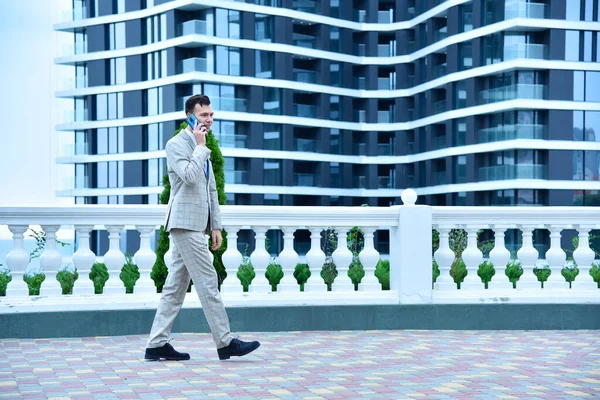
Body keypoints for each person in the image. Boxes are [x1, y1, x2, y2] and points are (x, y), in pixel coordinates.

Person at [145, 94, 260, 361]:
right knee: (208, 280)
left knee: (175, 287)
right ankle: (225, 341)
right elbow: (188, 176)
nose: (208, 120)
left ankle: (156, 344)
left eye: (211, 115)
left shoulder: (203, 146)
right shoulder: (176, 144)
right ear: (190, 116)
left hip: (199, 225)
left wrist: (216, 227)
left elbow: (211, 191)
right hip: (183, 224)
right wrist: (199, 146)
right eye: (203, 115)